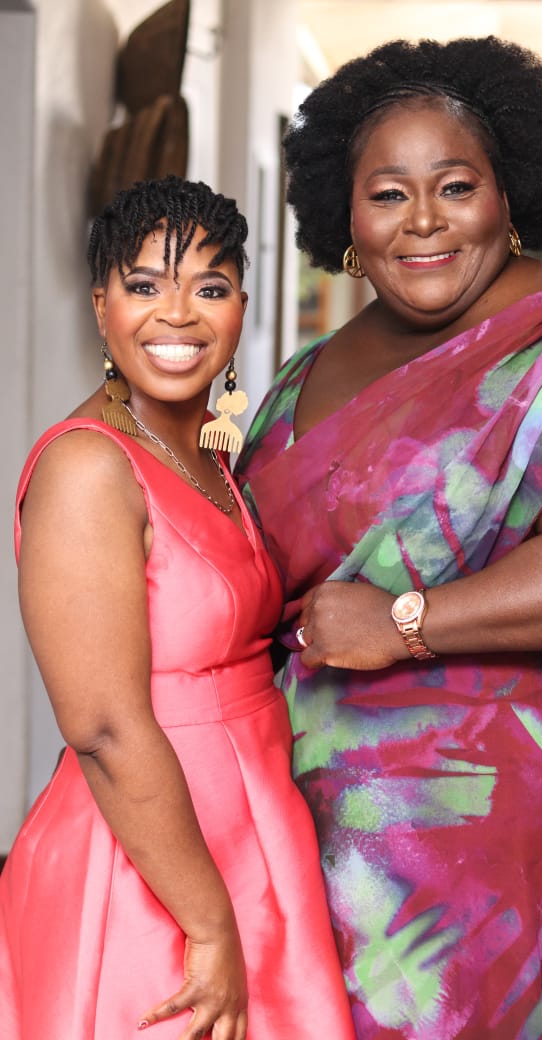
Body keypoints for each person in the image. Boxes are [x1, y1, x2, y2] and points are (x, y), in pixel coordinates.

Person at [236, 37, 542, 1040]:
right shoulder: (303, 373)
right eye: (387, 194)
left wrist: (406, 621)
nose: (424, 220)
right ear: (346, 215)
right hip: (341, 863)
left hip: (535, 857)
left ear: (507, 194)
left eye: (455, 185)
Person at [0, 176, 355, 1040]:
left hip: (251, 833)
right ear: (102, 306)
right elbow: (103, 727)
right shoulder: (89, 468)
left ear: (240, 309)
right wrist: (208, 924)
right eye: (144, 285)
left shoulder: (204, 455)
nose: (178, 314)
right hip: (152, 868)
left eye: (210, 287)